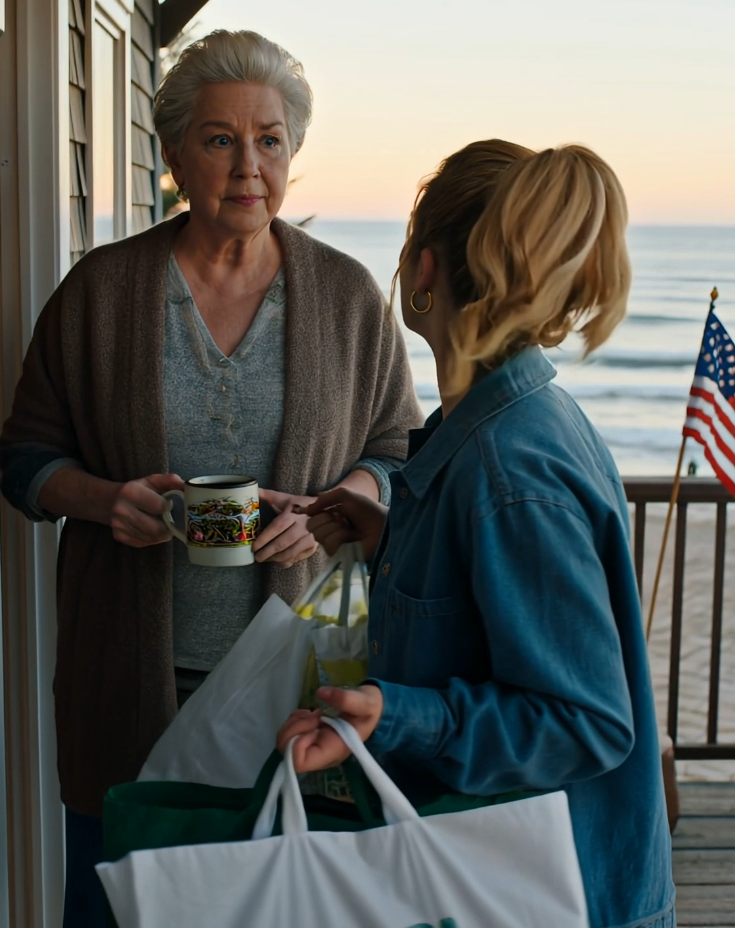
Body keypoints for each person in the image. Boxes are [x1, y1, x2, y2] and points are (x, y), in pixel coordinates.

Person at [0, 30, 422, 926]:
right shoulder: (100, 292)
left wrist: (337, 508)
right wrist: (104, 500)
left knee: (281, 906)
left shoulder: (347, 299)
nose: (248, 166)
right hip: (130, 680)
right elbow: (26, 458)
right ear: (174, 154)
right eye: (221, 139)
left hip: (295, 688)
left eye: (269, 139)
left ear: (292, 152)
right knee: (123, 903)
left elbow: (397, 450)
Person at [278, 140, 676, 928]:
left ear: (424, 269)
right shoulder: (481, 432)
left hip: (557, 900)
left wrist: (391, 713)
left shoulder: (509, 468)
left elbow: (586, 720)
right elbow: (489, 620)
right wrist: (390, 542)